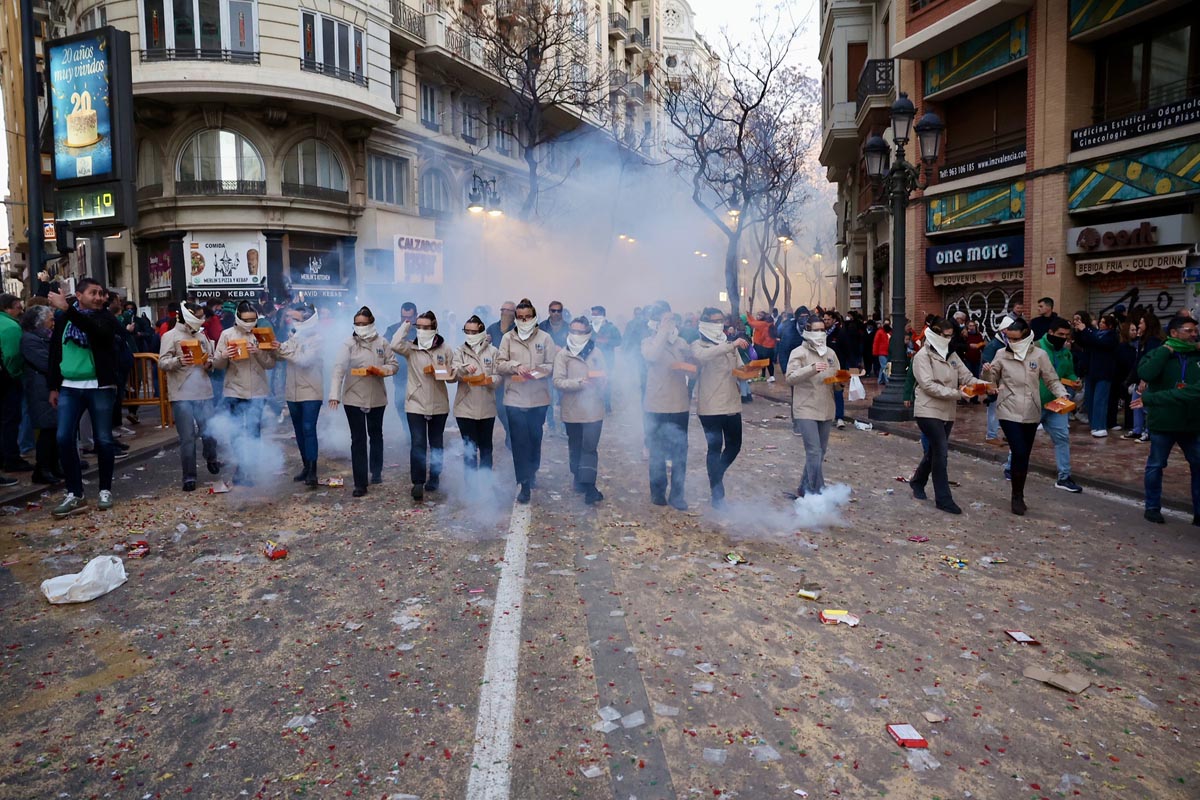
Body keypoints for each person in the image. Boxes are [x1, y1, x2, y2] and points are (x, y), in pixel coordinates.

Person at [46, 280, 124, 517]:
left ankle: (105, 490)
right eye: (93, 293)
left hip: (100, 386)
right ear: (79, 295)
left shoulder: (106, 318)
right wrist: (53, 386)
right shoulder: (64, 319)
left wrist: (67, 309)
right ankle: (75, 493)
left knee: (103, 440)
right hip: (69, 386)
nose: (99, 297)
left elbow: (98, 332)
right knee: (63, 438)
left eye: (101, 293)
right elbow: (55, 351)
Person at [983, 317, 1069, 516]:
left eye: (1016, 339)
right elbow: (990, 381)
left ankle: (1019, 493)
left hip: (1031, 411)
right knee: (1019, 451)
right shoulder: (1001, 354)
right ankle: (1016, 497)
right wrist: (987, 373)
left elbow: (1051, 379)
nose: (1012, 343)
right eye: (1009, 339)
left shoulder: (1039, 355)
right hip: (1008, 409)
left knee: (1024, 455)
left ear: (1026, 337)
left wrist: (1062, 394)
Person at [907, 318, 979, 514]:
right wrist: (958, 394)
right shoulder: (922, 356)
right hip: (927, 409)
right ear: (936, 334)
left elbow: (966, 376)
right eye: (945, 336)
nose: (949, 339)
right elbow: (928, 385)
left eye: (951, 336)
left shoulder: (951, 354)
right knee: (940, 451)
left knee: (934, 451)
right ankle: (943, 499)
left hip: (947, 410)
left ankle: (917, 481)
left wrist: (983, 385)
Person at [1136, 315, 1200, 525]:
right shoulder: (1159, 353)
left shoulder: (1196, 356)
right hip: (1163, 421)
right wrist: (1165, 351)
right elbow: (1145, 373)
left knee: (1198, 464)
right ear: (1174, 333)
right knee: (1156, 465)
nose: (1194, 335)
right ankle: (1152, 507)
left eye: (1195, 331)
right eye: (1189, 331)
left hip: (1192, 423)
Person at [329, 307, 398, 497]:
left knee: (375, 434)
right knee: (358, 439)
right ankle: (360, 483)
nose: (360, 327)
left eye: (364, 324)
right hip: (353, 396)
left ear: (371, 323)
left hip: (376, 396)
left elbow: (394, 365)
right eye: (357, 324)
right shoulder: (348, 344)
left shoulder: (382, 342)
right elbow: (338, 369)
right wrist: (334, 395)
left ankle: (376, 471)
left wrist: (382, 370)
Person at [390, 310, 455, 500]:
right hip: (415, 403)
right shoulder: (411, 348)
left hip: (438, 403)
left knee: (436, 443)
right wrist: (406, 325)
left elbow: (452, 376)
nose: (423, 330)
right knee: (418, 442)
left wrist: (439, 372)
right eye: (419, 327)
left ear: (434, 328)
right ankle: (417, 482)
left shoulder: (445, 349)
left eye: (426, 327)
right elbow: (394, 344)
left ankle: (434, 476)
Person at [158, 302, 222, 491]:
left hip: (203, 390)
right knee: (187, 437)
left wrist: (209, 364)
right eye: (199, 316)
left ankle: (211, 457)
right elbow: (162, 362)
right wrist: (179, 361)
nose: (202, 319)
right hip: (181, 393)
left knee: (210, 431)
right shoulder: (170, 336)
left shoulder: (201, 336)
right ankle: (189, 477)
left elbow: (211, 358)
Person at [497, 299, 556, 504]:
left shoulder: (545, 338)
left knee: (534, 438)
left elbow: (551, 365)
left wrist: (537, 372)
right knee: (519, 442)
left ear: (534, 317)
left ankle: (532, 471)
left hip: (538, 398)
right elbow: (499, 364)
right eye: (520, 317)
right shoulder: (508, 338)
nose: (524, 320)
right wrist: (516, 366)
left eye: (527, 317)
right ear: (515, 318)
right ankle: (523, 482)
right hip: (514, 398)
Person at [211, 301, 275, 485]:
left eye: (252, 319)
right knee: (236, 431)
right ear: (238, 318)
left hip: (258, 391)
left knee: (254, 431)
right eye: (245, 319)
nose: (249, 323)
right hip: (234, 390)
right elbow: (217, 364)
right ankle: (240, 466)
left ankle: (251, 469)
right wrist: (224, 355)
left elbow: (271, 363)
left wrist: (258, 352)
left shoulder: (261, 334)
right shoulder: (227, 334)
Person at [692, 306, 747, 509]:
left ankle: (716, 474)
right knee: (714, 447)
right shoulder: (697, 345)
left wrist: (749, 370)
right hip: (710, 405)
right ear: (705, 322)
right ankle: (717, 493)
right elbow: (703, 356)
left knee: (735, 445)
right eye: (715, 321)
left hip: (731, 403)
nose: (719, 325)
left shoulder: (728, 344)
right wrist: (730, 345)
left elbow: (739, 367)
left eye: (721, 321)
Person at [641, 304, 692, 509]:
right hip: (656, 404)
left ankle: (678, 494)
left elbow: (692, 367)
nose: (669, 324)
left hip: (679, 403)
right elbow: (652, 355)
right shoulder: (648, 341)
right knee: (657, 451)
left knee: (680, 451)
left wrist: (690, 367)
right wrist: (662, 331)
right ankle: (658, 491)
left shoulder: (682, 342)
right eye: (664, 320)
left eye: (671, 320)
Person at [553, 316, 607, 504]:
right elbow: (557, 381)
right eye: (573, 331)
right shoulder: (563, 355)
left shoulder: (597, 353)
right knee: (575, 446)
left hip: (594, 409)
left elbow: (605, 375)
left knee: (590, 448)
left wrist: (603, 383)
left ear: (587, 333)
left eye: (580, 332)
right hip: (572, 410)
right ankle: (578, 477)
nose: (576, 335)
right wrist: (579, 383)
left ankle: (590, 487)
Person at [785, 317, 841, 498]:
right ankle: (816, 492)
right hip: (805, 408)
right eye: (816, 330)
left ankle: (804, 486)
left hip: (826, 408)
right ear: (807, 331)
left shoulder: (830, 353)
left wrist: (842, 381)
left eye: (823, 330)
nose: (820, 333)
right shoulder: (799, 352)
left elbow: (835, 379)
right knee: (814, 451)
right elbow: (790, 378)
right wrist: (811, 368)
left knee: (819, 452)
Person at [277, 302, 323, 487]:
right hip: (292, 391)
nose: (293, 322)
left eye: (296, 319)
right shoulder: (293, 336)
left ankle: (313, 471)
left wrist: (283, 350)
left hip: (311, 391)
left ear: (308, 320)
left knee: (308, 429)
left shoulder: (318, 339)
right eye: (292, 319)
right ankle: (306, 466)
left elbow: (304, 360)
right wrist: (276, 348)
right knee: (299, 431)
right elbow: (281, 353)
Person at [453, 315, 499, 486]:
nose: (470, 335)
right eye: (467, 331)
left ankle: (486, 484)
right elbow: (453, 373)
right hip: (465, 407)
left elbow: (499, 375)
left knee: (486, 447)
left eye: (474, 332)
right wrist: (464, 369)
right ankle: (471, 485)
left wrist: (489, 380)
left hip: (487, 406)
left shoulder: (493, 352)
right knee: (469, 448)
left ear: (481, 332)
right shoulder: (459, 351)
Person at [19, 306, 61, 485]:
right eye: (50, 319)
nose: (53, 323)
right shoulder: (30, 340)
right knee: (47, 429)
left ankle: (53, 465)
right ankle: (42, 469)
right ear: (39, 321)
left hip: (49, 386)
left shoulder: (46, 337)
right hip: (40, 388)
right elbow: (46, 363)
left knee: (54, 428)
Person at [1074, 313, 1118, 437]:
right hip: (1091, 371)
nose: (1101, 324)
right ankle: (1094, 425)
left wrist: (1085, 330)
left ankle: (1100, 426)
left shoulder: (1111, 336)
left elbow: (1097, 342)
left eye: (1104, 322)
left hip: (1104, 373)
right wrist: (1078, 332)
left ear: (1110, 325)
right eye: (1101, 321)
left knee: (1100, 400)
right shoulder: (1095, 334)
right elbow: (1084, 342)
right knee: (1090, 400)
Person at [0, 293, 30, 472]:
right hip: (8, 379)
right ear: (7, 308)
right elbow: (12, 355)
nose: (21, 310)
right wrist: (15, 373)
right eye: (18, 306)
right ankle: (11, 458)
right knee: (10, 419)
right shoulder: (11, 326)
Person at [1122, 314, 1162, 442]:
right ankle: (1137, 430)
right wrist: (1131, 379)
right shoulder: (1143, 341)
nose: (1139, 325)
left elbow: (1152, 362)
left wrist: (1145, 379)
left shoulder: (1154, 342)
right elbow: (1138, 361)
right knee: (1135, 404)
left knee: (1146, 406)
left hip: (1147, 380)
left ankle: (1148, 431)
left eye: (1141, 323)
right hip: (1139, 378)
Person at [384, 301, 419, 437]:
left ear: (416, 316)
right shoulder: (392, 330)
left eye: (409, 317)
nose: (406, 320)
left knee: (416, 407)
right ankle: (407, 431)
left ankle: (416, 434)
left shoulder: (421, 330)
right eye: (403, 317)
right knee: (400, 404)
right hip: (400, 376)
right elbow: (384, 347)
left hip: (418, 377)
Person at [486, 300, 517, 446]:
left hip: (513, 373)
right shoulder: (492, 328)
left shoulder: (517, 329)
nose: (505, 313)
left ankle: (512, 435)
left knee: (512, 407)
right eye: (503, 310)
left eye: (509, 311)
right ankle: (509, 430)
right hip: (498, 373)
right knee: (500, 407)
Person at [981, 316, 1014, 444]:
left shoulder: (1005, 343)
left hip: (1005, 382)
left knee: (1005, 410)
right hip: (996, 382)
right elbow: (987, 365)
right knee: (994, 409)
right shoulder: (994, 345)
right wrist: (991, 385)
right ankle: (991, 435)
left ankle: (1006, 434)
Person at [540, 300, 570, 434]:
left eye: (558, 311)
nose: (556, 313)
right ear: (549, 311)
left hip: (563, 367)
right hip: (547, 366)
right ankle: (551, 425)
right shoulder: (542, 327)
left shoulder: (568, 327)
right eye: (553, 310)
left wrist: (562, 349)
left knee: (564, 398)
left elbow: (574, 346)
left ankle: (564, 426)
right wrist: (551, 349)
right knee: (548, 398)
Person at [590, 305, 622, 411]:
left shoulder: (611, 328)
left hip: (608, 359)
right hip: (592, 360)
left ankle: (607, 405)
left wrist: (607, 341)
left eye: (596, 315)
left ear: (603, 315)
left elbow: (619, 341)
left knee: (606, 381)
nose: (594, 317)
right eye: (592, 315)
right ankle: (593, 404)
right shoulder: (590, 328)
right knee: (593, 380)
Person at [823, 310, 848, 428]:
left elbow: (847, 350)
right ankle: (829, 416)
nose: (826, 322)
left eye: (828, 319)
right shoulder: (822, 333)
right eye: (824, 319)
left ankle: (839, 417)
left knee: (838, 393)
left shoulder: (840, 333)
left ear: (833, 320)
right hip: (825, 368)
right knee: (826, 392)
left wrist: (848, 368)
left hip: (840, 368)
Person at [746, 311, 778, 382]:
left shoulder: (763, 324)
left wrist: (748, 316)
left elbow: (752, 323)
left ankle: (754, 376)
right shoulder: (771, 325)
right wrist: (749, 315)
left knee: (757, 361)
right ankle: (766, 376)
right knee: (767, 362)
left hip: (762, 346)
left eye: (760, 315)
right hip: (770, 347)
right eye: (758, 314)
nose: (758, 316)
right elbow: (754, 322)